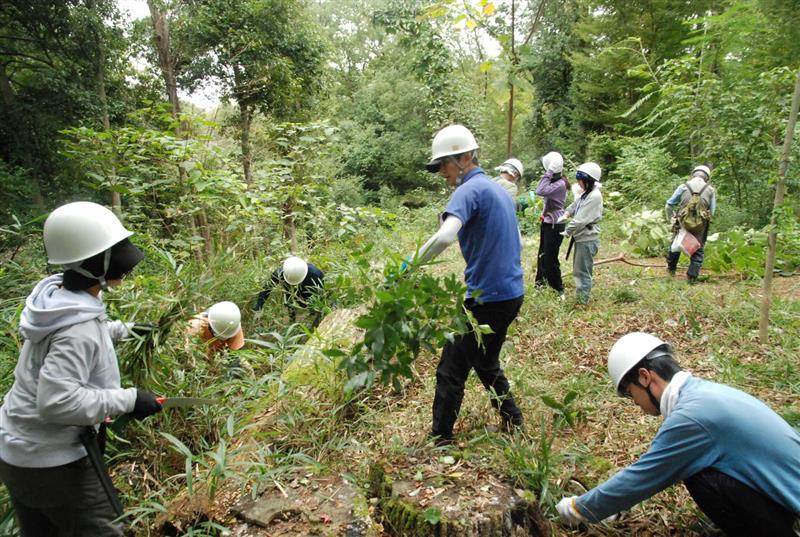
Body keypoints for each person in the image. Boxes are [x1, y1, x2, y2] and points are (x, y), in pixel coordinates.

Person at [0, 201, 163, 536]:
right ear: (94, 263)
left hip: (18, 452)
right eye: (114, 252)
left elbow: (79, 330)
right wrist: (130, 399)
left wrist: (124, 330)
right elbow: (57, 402)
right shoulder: (77, 329)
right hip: (52, 463)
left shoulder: (57, 297)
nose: (125, 259)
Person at [556, 332, 800, 536]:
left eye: (631, 394)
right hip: (787, 496)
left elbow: (645, 476)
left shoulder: (692, 416)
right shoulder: (705, 393)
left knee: (700, 476)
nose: (635, 404)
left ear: (644, 377)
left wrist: (579, 508)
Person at [411, 124, 525, 444]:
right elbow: (515, 239)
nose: (441, 173)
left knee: (451, 368)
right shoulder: (496, 190)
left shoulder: (468, 190)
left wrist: (410, 265)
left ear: (464, 158)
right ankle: (513, 420)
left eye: (443, 165)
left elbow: (446, 235)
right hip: (510, 294)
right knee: (486, 362)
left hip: (486, 298)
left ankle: (440, 439)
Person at [665, 165, 716, 284]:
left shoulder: (683, 186)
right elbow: (712, 211)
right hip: (700, 225)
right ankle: (692, 278)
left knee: (676, 244)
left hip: (683, 222)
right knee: (698, 249)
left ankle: (671, 270)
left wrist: (671, 218)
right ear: (706, 178)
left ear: (693, 174)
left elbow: (669, 204)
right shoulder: (710, 190)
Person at [562, 162, 603, 305]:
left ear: (588, 180)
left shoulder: (594, 196)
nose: (578, 183)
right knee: (579, 268)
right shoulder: (587, 193)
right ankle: (581, 298)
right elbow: (576, 205)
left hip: (587, 238)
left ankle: (582, 301)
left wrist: (567, 231)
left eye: (580, 180)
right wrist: (567, 212)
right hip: (582, 237)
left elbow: (580, 219)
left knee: (582, 271)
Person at [534, 151, 569, 296]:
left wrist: (549, 171)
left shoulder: (560, 184)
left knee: (550, 257)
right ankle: (540, 284)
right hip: (548, 222)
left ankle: (558, 288)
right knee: (542, 254)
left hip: (556, 224)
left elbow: (539, 190)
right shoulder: (555, 182)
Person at [253, 256, 325, 323]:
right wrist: (258, 307)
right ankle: (292, 321)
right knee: (289, 303)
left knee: (312, 309)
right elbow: (267, 288)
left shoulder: (316, 274)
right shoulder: (280, 273)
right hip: (290, 292)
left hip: (309, 292)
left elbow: (322, 294)